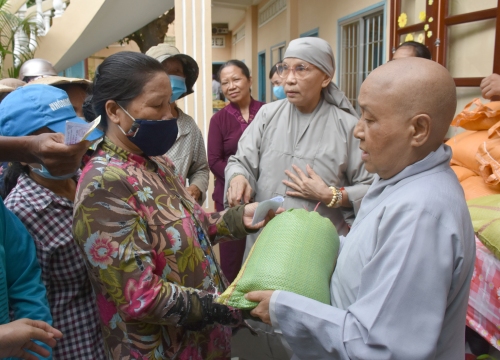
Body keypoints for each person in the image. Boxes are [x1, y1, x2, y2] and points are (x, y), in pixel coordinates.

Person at [248, 57, 475, 359]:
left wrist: (283, 308)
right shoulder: (397, 179)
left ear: (418, 129)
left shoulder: (420, 213)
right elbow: (368, 252)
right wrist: (300, 234)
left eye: (370, 119)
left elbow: (382, 346)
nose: (357, 131)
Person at [74, 51, 280, 359]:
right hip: (162, 349)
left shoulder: (158, 163)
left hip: (205, 342)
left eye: (170, 103)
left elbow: (192, 228)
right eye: (157, 106)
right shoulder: (104, 185)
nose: (169, 115)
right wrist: (229, 307)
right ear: (115, 111)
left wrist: (239, 218)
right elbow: (140, 296)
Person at [225, 37, 373, 258]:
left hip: (315, 252)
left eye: (301, 69)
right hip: (264, 241)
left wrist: (332, 195)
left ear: (325, 77)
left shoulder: (348, 127)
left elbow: (372, 186)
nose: (289, 80)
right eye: (285, 69)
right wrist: (238, 177)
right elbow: (241, 161)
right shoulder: (267, 115)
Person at [1, 84, 105, 358]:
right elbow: (25, 301)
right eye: (56, 140)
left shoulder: (90, 181)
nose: (72, 145)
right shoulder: (22, 212)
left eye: (73, 133)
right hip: (68, 349)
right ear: (23, 152)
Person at [207, 60, 265, 283]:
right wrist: (241, 178)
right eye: (225, 82)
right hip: (232, 197)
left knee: (262, 251)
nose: (231, 86)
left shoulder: (267, 112)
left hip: (265, 191)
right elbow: (214, 160)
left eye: (236, 79)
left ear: (249, 80)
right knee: (232, 257)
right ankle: (232, 311)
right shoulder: (218, 120)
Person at [145, 44, 209, 204]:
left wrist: (196, 188)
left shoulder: (188, 126)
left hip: (177, 217)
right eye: (165, 71)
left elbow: (200, 169)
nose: (171, 77)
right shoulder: (135, 124)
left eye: (177, 72)